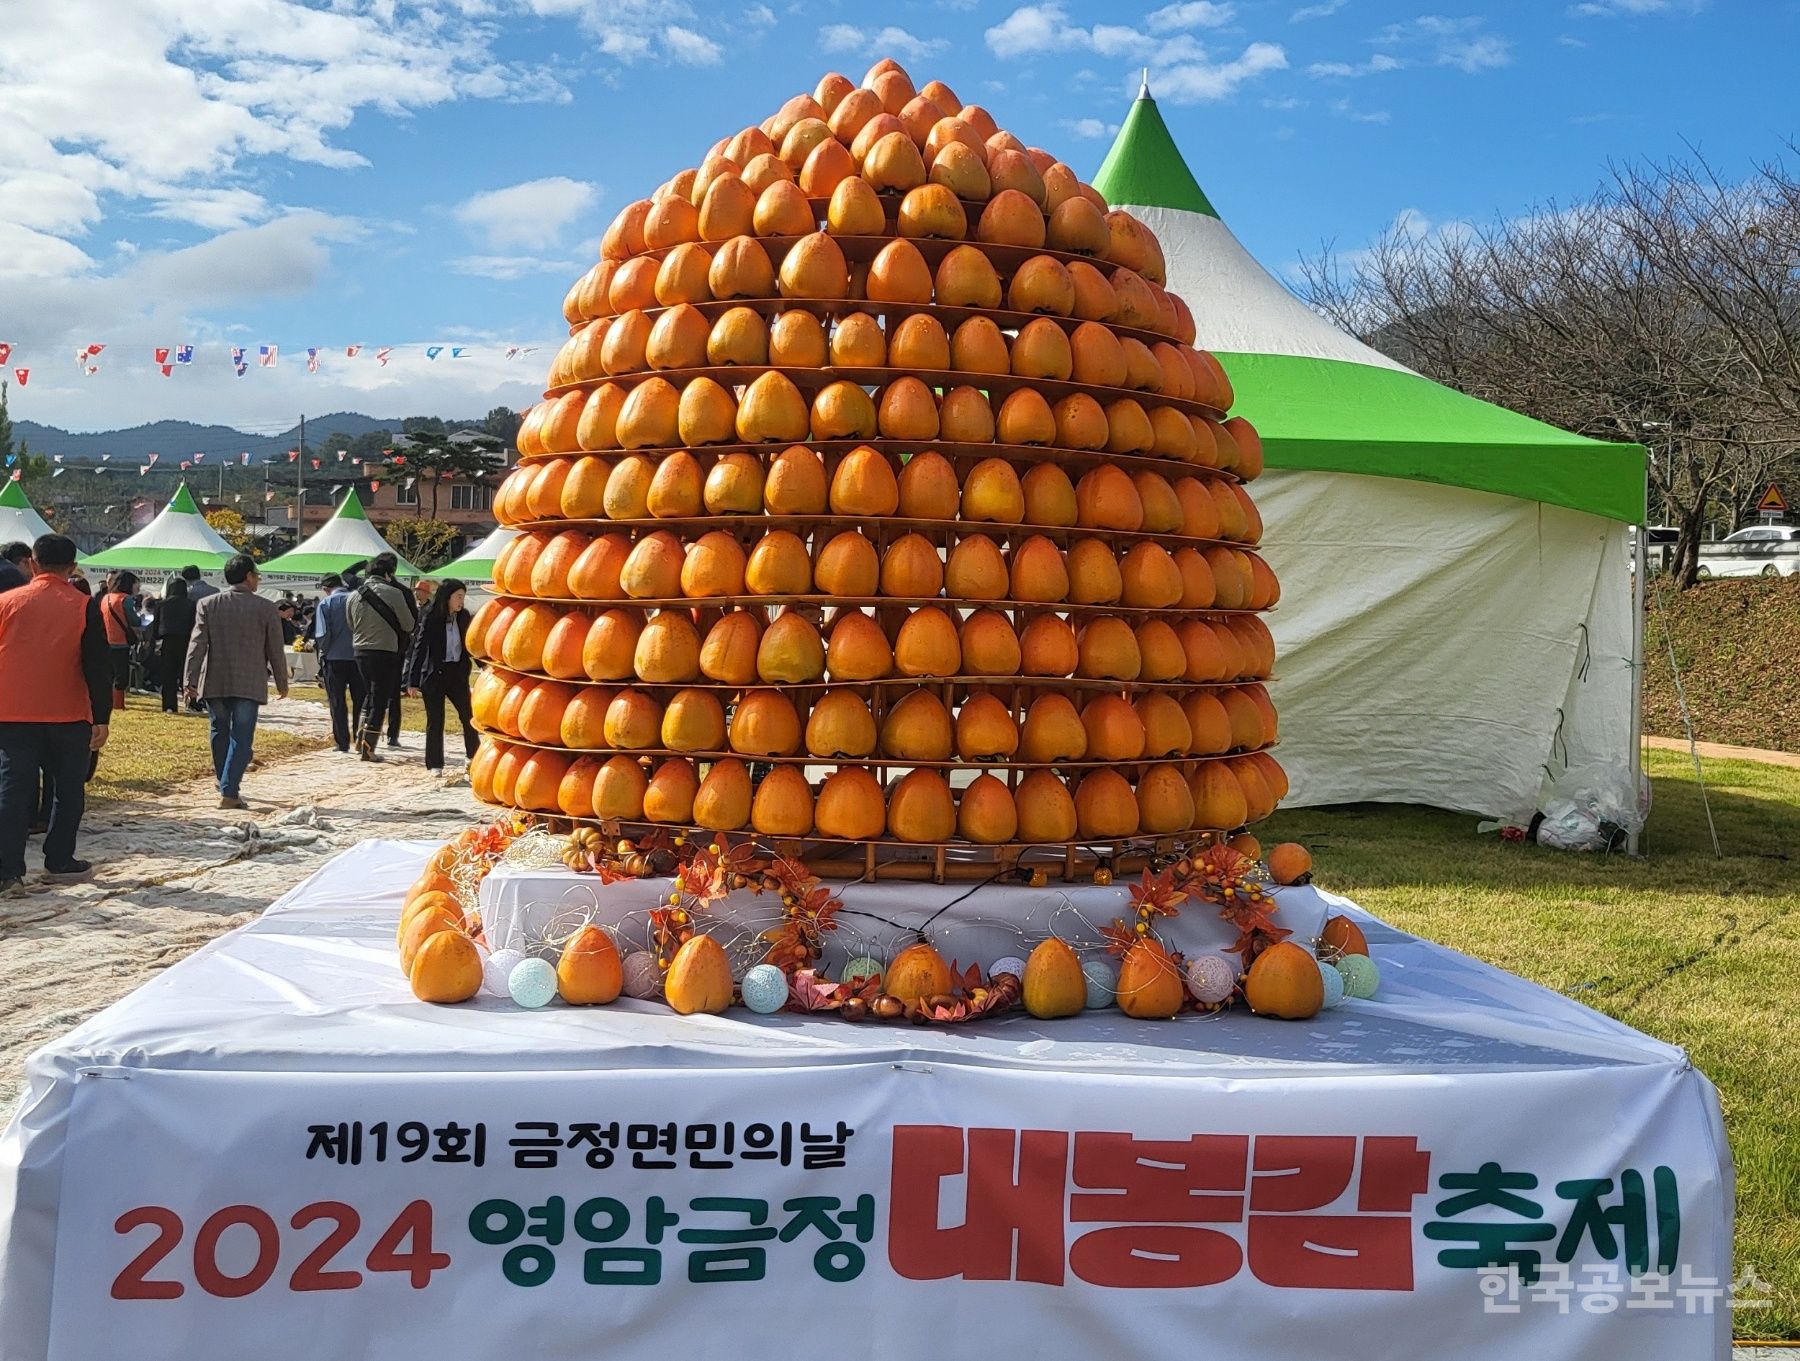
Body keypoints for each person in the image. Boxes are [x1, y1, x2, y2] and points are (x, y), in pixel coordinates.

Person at [0, 534, 111, 893]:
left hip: (12, 713)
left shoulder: (6, 602)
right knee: (67, 790)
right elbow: (97, 667)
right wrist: (102, 716)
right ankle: (60, 860)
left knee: (13, 791)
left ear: (32, 564)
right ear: (73, 567)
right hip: (68, 714)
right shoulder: (84, 606)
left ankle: (8, 871)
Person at [183, 554, 289, 810]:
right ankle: (229, 790)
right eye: (256, 575)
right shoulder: (266, 608)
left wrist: (190, 680)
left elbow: (197, 644)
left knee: (219, 730)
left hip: (215, 679)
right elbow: (275, 648)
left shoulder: (208, 604)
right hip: (249, 681)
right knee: (242, 737)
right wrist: (282, 681)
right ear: (248, 577)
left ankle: (223, 780)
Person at [347, 552, 416, 763]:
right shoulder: (394, 593)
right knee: (379, 700)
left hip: (359, 650)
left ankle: (361, 739)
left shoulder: (353, 595)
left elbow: (351, 624)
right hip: (385, 651)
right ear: (388, 573)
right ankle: (369, 749)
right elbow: (408, 624)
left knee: (369, 694)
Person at [406, 579, 478, 774]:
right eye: (458, 597)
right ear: (447, 597)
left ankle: (473, 756)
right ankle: (435, 764)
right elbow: (419, 649)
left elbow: (471, 646)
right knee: (436, 720)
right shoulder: (430, 617)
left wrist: (485, 667)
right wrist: (412, 682)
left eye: (463, 597)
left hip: (457, 674)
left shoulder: (463, 617)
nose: (461, 601)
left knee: (468, 716)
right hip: (434, 675)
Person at [313, 573, 365, 754]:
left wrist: (322, 652)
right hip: (358, 656)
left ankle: (342, 742)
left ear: (326, 589)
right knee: (360, 700)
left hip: (334, 659)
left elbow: (323, 634)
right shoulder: (357, 599)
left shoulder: (326, 604)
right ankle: (361, 739)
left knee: (337, 701)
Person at [153, 575, 196, 713]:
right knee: (187, 674)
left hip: (168, 642)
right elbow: (194, 625)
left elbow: (156, 626)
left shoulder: (162, 604)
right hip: (186, 642)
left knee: (168, 676)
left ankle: (169, 705)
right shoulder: (191, 604)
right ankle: (191, 702)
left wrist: (155, 640)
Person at [98, 571, 141, 711]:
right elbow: (134, 620)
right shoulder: (125, 599)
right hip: (120, 641)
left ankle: (109, 702)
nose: (138, 587)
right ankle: (118, 704)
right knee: (121, 675)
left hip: (106, 641)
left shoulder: (106, 598)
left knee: (109, 674)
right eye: (136, 584)